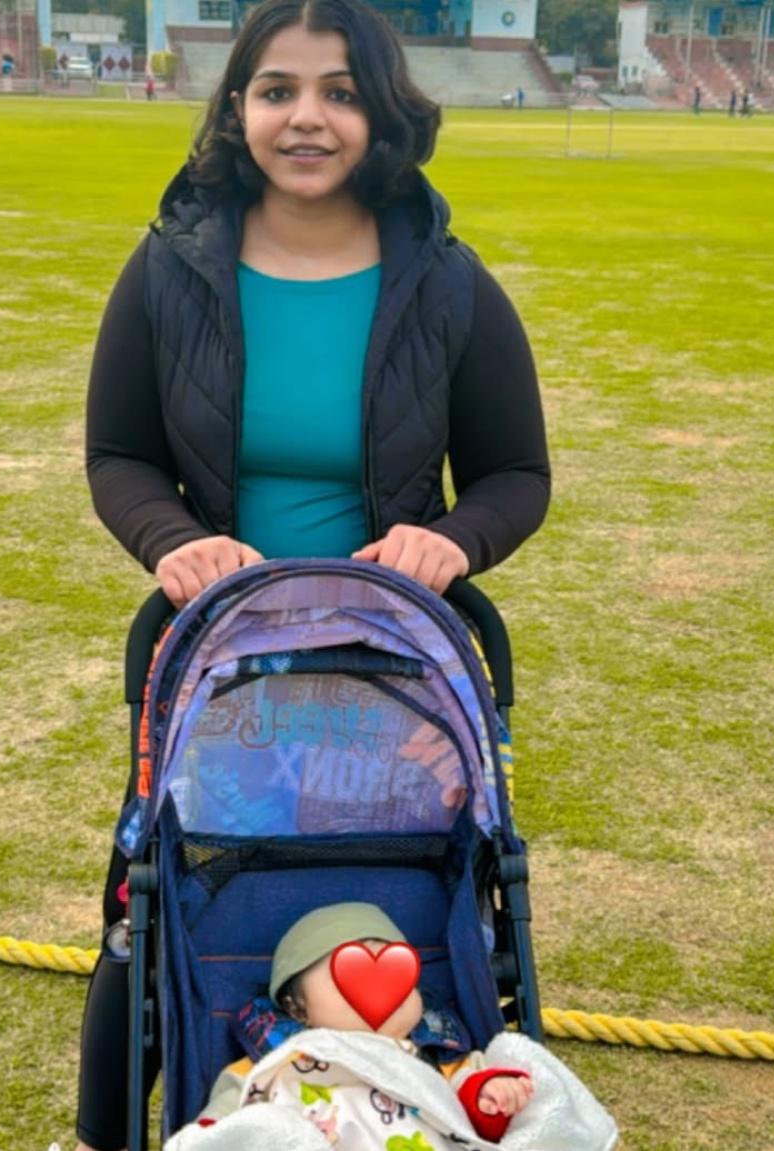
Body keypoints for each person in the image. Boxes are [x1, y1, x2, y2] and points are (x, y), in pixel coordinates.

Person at [79, 0, 550, 1147]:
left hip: (388, 656)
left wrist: (455, 539)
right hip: (219, 653)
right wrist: (167, 538)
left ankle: (428, 1096)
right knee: (164, 899)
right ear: (236, 108)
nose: (307, 118)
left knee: (406, 893)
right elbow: (119, 453)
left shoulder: (444, 279)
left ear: (381, 114)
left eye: (340, 92)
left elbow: (516, 471)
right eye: (278, 89)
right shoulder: (170, 269)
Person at [164, 903, 619, 1150]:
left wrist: (489, 1097)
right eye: (347, 971)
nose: (379, 987)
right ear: (296, 1006)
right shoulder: (267, 1067)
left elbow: (464, 1115)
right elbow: (223, 1128)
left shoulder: (438, 1057)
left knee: (518, 1067)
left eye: (400, 972)